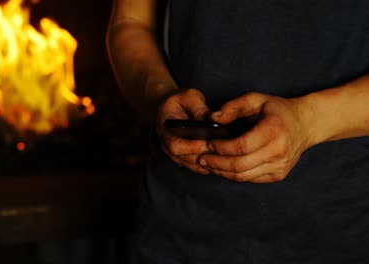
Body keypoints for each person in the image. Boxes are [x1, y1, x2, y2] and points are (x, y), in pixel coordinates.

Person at [107, 1, 369, 263]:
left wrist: (307, 122)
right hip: (177, 231)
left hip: (339, 230)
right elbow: (131, 23)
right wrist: (160, 95)